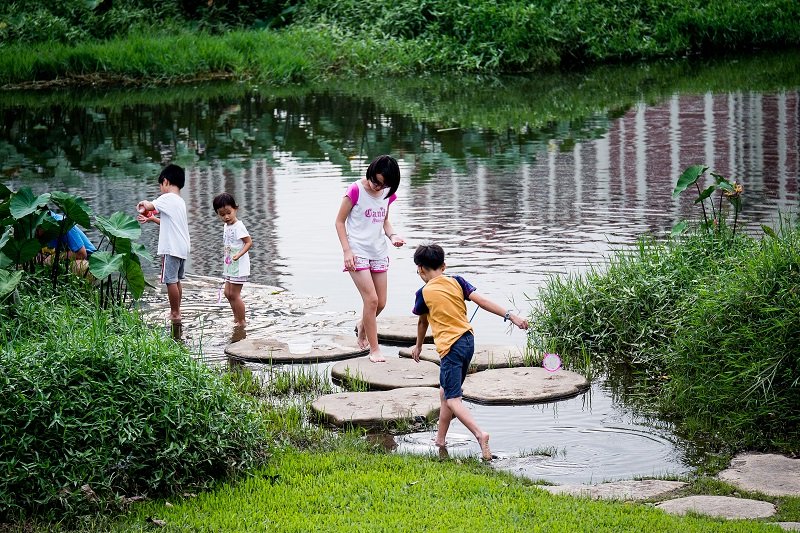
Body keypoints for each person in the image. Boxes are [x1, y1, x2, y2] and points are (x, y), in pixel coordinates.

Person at [410, 243, 529, 461]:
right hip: (468, 341)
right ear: (444, 266)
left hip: (450, 347)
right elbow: (482, 301)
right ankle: (440, 440)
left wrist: (418, 346)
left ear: (420, 269)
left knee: (453, 399)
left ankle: (479, 434)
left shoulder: (423, 293)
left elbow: (422, 322)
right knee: (445, 392)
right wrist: (512, 316)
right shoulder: (458, 281)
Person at [335, 155, 406, 363]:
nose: (377, 187)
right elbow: (339, 222)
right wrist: (347, 251)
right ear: (371, 172)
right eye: (376, 181)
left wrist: (393, 236)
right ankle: (374, 350)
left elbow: (384, 221)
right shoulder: (355, 190)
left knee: (381, 302)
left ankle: (361, 325)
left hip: (378, 251)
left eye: (383, 184)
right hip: (357, 252)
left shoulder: (387, 194)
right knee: (371, 300)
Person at [137, 164, 191, 325]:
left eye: (160, 185)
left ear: (165, 182)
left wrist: (142, 205)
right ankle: (177, 310)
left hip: (171, 247)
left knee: (170, 280)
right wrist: (152, 218)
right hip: (181, 247)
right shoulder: (180, 201)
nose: (160, 188)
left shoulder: (167, 198)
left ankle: (175, 313)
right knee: (176, 280)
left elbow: (147, 206)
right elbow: (170, 223)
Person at [212, 192, 252, 327]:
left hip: (239, 265)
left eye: (229, 212)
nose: (226, 217)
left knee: (234, 294)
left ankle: (242, 322)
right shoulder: (226, 226)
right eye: (222, 214)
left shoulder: (238, 226)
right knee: (227, 293)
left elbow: (248, 242)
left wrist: (239, 255)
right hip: (230, 264)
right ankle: (236, 318)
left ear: (236, 209)